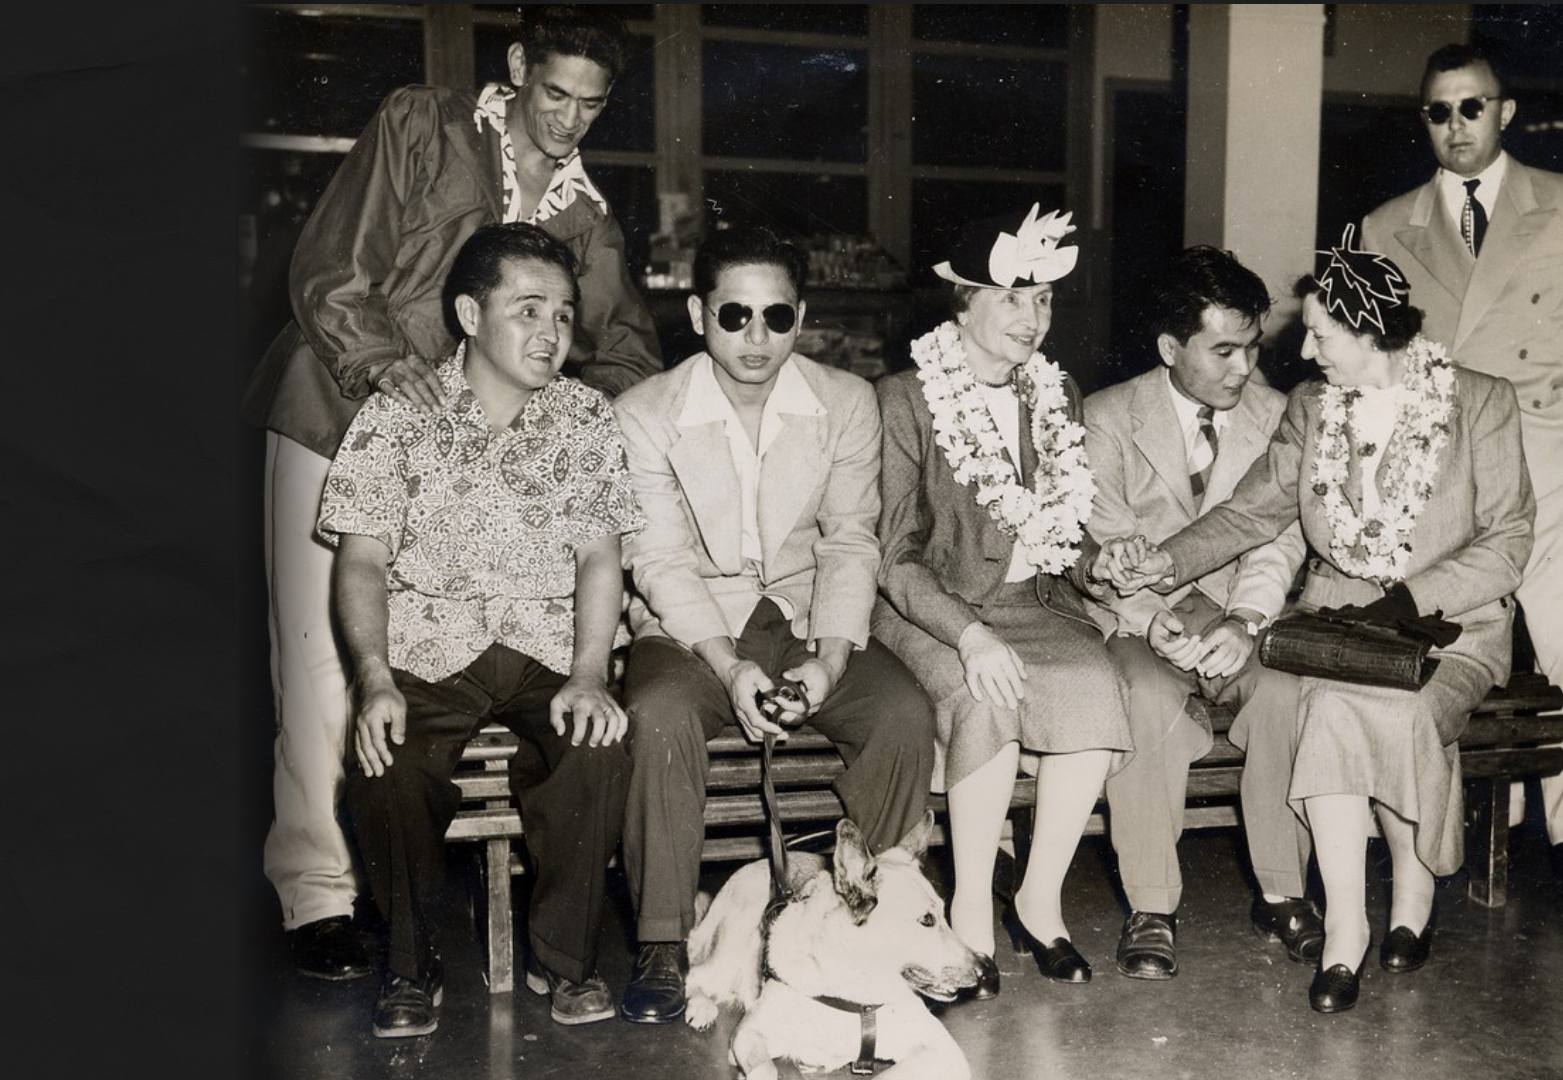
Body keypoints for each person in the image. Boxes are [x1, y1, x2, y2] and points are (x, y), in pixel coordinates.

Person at [241, 4, 664, 981]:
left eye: (591, 107)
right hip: (338, 403)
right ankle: (316, 897)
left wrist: (554, 407)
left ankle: (414, 888)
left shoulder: (586, 214)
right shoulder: (424, 125)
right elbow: (331, 270)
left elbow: (630, 352)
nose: (567, 121)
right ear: (517, 67)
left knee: (426, 664)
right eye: (554, 93)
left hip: (468, 466)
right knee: (319, 660)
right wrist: (391, 370)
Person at [1093, 227, 1534, 1013]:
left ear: (1368, 333)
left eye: (1322, 335)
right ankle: (1345, 932)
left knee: (1396, 712)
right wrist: (1162, 562)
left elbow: (1507, 545)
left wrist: (1402, 601)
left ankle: (1411, 895)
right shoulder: (1313, 408)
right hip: (1339, 630)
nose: (1307, 353)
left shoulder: (1483, 402)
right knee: (1325, 709)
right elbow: (1249, 514)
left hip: (1451, 627)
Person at [321, 222, 644, 1038]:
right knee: (384, 756)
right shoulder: (396, 417)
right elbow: (360, 561)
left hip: (546, 647)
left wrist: (590, 672)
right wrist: (374, 678)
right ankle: (410, 960)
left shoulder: (586, 419)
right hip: (430, 646)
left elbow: (600, 561)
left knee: (597, 744)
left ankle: (564, 962)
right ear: (469, 314)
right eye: (528, 310)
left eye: (565, 315)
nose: (552, 334)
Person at [611, 225, 938, 1024]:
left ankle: (881, 918)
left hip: (805, 619)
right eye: (734, 317)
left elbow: (851, 540)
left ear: (802, 315)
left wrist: (826, 665)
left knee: (901, 714)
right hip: (691, 628)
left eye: (777, 317)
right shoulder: (643, 413)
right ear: (697, 314)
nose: (757, 338)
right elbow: (658, 561)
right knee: (656, 718)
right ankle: (662, 941)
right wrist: (730, 669)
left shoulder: (845, 403)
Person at [1359, 42, 1563, 906]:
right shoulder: (1384, 226)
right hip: (1454, 471)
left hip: (1558, 459)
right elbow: (1377, 362)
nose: (1457, 127)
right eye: (1439, 112)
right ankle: (1470, 821)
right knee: (1462, 645)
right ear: (1426, 122)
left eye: (1472, 107)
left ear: (1504, 112)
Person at [871, 204, 1131, 994]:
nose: (1032, 317)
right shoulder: (903, 398)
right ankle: (971, 916)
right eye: (1012, 297)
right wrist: (970, 637)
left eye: (1044, 299)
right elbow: (893, 557)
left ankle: (1039, 901)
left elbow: (1059, 530)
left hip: (1031, 604)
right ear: (962, 299)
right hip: (932, 610)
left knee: (1095, 685)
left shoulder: (1058, 391)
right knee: (986, 693)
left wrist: (1103, 559)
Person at [1077, 246, 1320, 980]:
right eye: (1224, 351)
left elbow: (1279, 539)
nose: (1244, 369)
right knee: (1146, 697)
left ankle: (1282, 892)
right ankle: (1152, 904)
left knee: (1282, 692)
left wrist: (1245, 623)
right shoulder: (1107, 417)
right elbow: (1101, 535)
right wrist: (1152, 616)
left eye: (1251, 348)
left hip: (1235, 617)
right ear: (1169, 348)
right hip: (1139, 618)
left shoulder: (1278, 415)